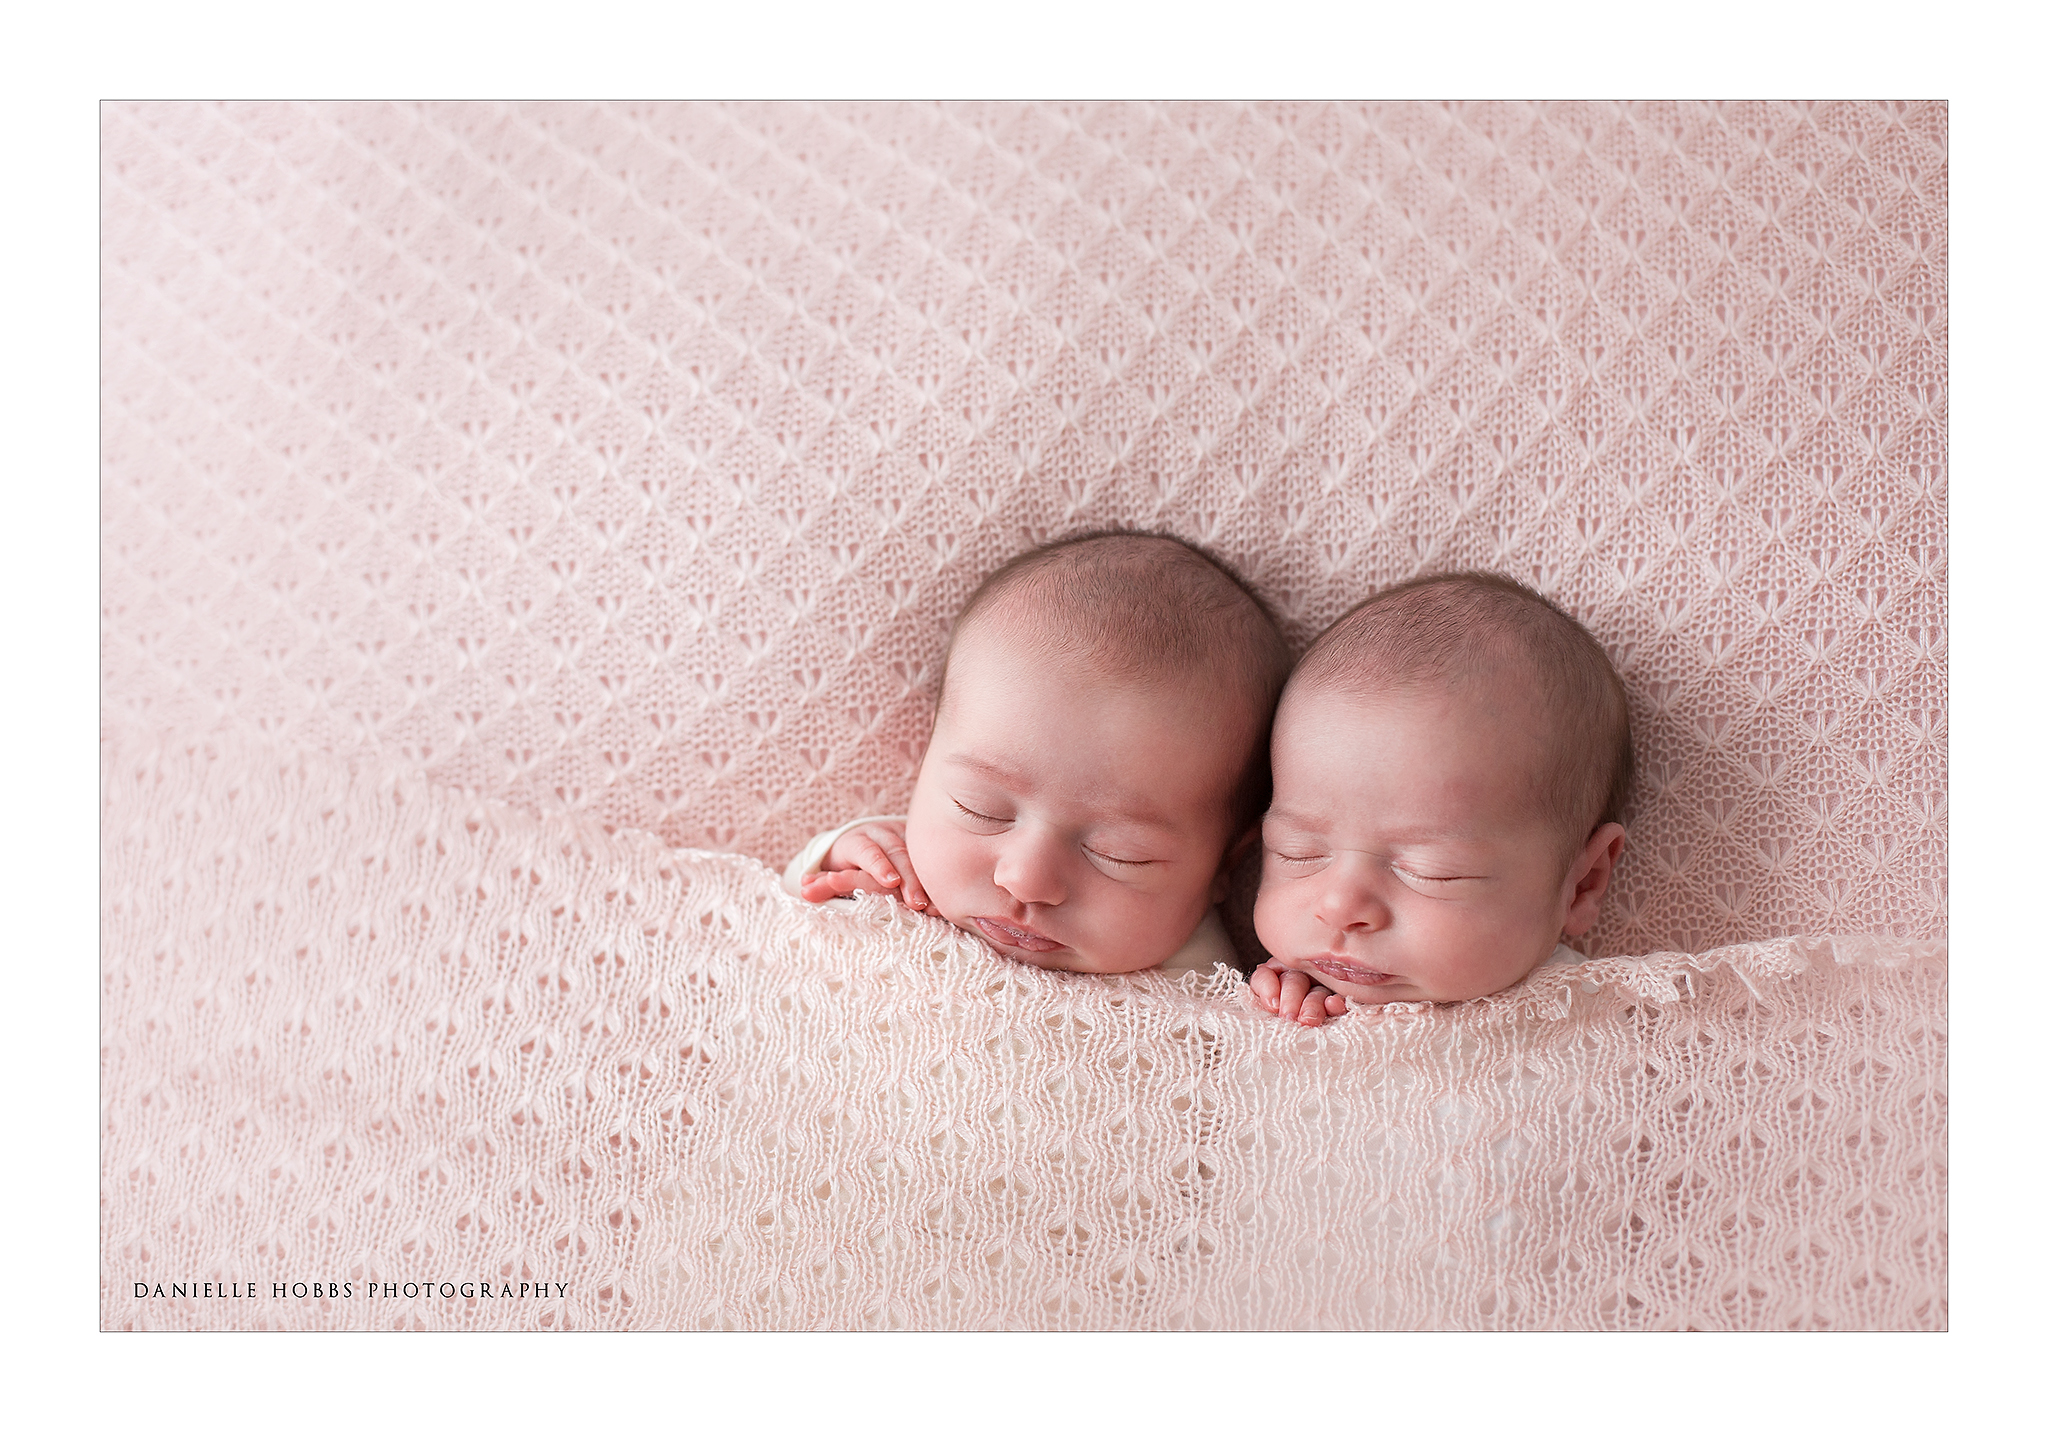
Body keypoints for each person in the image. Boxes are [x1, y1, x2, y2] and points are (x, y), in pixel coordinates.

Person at [784, 530, 1291, 976]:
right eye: (979, 808)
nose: (1027, 880)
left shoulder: (1199, 984)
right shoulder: (898, 878)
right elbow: (786, 929)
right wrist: (834, 857)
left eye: (1119, 854)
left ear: (1225, 863)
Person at [1249, 571, 1634, 1025]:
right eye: (1297, 852)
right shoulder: (1280, 1003)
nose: (1338, 908)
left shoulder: (1586, 1030)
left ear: (1582, 883)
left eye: (1432, 873)